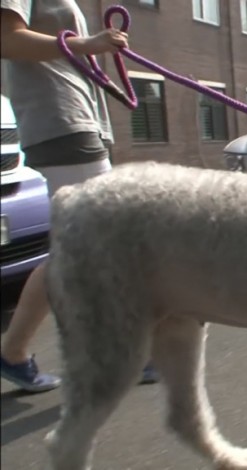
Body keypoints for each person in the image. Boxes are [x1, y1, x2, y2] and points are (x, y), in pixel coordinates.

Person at [0, 0, 158, 393]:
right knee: (104, 238)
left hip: (76, 117)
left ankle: (14, 352)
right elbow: (7, 38)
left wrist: (91, 46)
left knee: (72, 248)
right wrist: (89, 43)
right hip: (60, 120)